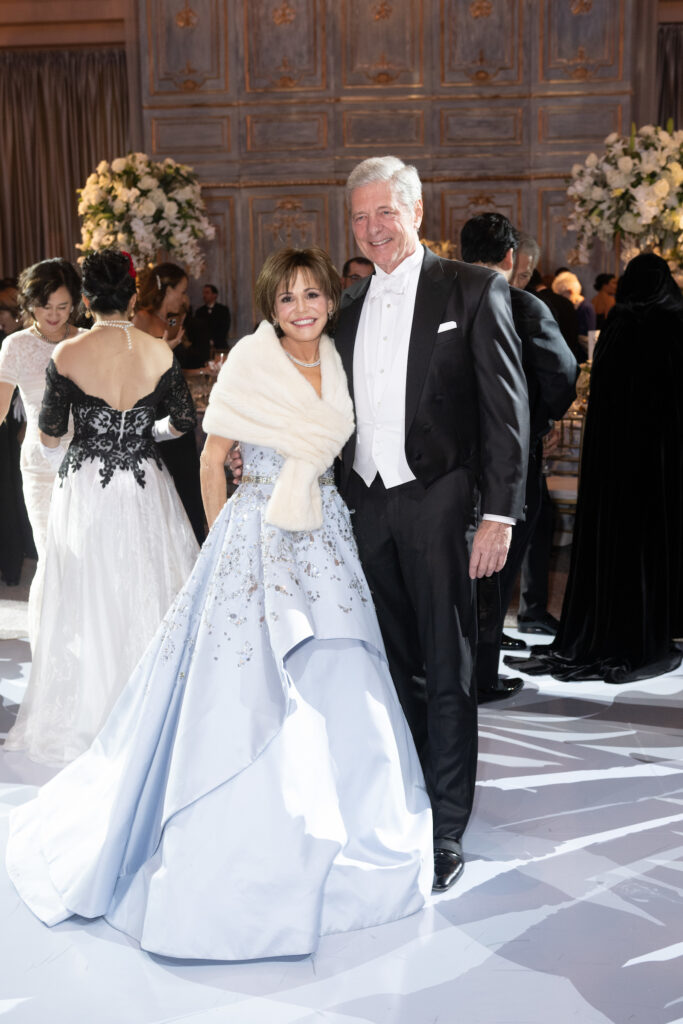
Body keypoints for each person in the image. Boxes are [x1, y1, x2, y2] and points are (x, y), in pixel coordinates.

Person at [5, 246, 432, 960]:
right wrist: (216, 542)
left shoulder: (340, 359)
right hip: (255, 531)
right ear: (269, 305)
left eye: (313, 295)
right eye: (287, 297)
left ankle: (354, 828)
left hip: (324, 536)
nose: (302, 308)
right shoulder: (247, 360)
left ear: (330, 299)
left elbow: (53, 429)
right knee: (240, 692)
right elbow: (204, 454)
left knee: (345, 685)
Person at [334, 156, 529, 891]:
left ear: (417, 211)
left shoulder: (474, 289)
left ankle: (446, 825)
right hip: (363, 507)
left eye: (385, 212)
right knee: (388, 665)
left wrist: (498, 515)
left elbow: (506, 414)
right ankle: (406, 794)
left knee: (448, 667)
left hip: (441, 504)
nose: (373, 228)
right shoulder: (347, 305)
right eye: (360, 217)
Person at [3, 250, 199, 764]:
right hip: (143, 480)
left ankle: (94, 706)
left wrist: (79, 443)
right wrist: (141, 433)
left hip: (86, 482)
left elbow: (48, 436)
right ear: (135, 297)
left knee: (87, 588)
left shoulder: (67, 355)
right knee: (148, 583)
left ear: (86, 301)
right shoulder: (159, 350)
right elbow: (181, 421)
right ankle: (152, 705)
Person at [507, 253, 683, 684]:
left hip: (612, 469)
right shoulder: (674, 325)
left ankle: (603, 628)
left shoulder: (618, 327)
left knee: (612, 548)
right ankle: (655, 631)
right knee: (654, 548)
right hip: (660, 467)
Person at [459, 214, 578, 702]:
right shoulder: (524, 305)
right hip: (511, 459)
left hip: (450, 462)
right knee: (498, 568)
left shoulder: (444, 299)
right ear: (511, 257)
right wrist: (542, 421)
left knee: (455, 568)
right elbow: (562, 375)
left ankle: (454, 668)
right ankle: (482, 675)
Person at [0, 259, 85, 639]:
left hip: (87, 464)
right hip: (40, 467)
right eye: (44, 306)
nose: (53, 316)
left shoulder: (86, 340)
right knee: (52, 557)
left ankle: (88, 644)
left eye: (63, 307)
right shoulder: (15, 346)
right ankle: (53, 649)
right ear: (29, 303)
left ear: (76, 305)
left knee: (86, 558)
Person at [133, 264, 205, 543]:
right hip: (155, 411)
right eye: (182, 291)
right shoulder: (141, 318)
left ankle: (193, 545)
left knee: (187, 480)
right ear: (167, 288)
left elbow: (178, 364)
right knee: (168, 482)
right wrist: (165, 350)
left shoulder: (173, 319)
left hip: (176, 408)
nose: (184, 297)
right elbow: (135, 369)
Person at [552, 270, 596, 352]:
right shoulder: (575, 306)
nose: (560, 299)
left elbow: (590, 337)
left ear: (570, 291)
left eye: (561, 295)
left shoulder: (585, 307)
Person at [194, 283, 231, 350]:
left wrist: (213, 341)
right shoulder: (199, 312)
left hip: (220, 345)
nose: (204, 295)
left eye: (207, 293)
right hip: (203, 347)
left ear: (215, 295)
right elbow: (197, 330)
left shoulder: (223, 310)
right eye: (203, 293)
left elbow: (224, 328)